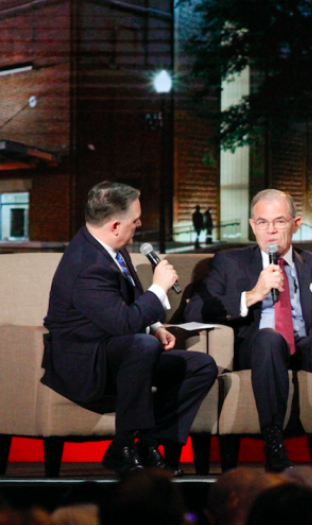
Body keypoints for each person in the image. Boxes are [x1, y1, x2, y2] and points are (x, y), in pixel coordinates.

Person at [41, 181, 218, 476]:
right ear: (114, 226)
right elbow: (123, 324)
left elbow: (132, 300)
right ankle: (122, 447)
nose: (139, 225)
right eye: (135, 221)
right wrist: (160, 289)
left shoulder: (111, 247)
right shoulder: (86, 264)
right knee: (141, 344)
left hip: (118, 352)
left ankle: (149, 443)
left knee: (201, 366)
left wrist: (156, 325)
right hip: (84, 362)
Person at [185, 189, 312, 475]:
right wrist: (253, 294)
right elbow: (196, 312)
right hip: (260, 349)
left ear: (296, 223)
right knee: (268, 337)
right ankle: (274, 445)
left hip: (306, 345)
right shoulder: (229, 262)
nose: (271, 231)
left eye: (279, 221)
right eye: (262, 223)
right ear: (252, 226)